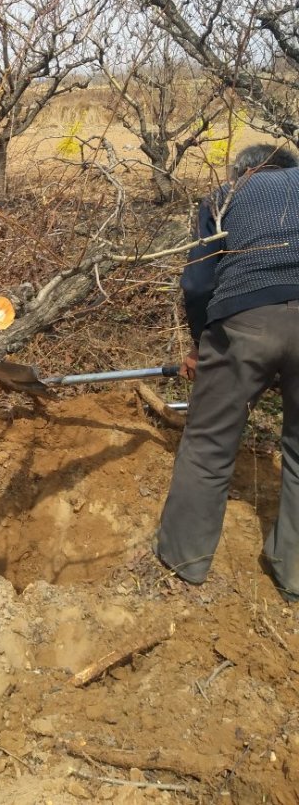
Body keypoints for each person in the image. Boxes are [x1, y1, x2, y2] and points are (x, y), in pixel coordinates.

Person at [154, 142, 299, 602]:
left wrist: (204, 343)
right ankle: (293, 577)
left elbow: (197, 283)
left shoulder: (224, 197)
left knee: (209, 442)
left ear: (243, 172)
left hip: (244, 320)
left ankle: (185, 561)